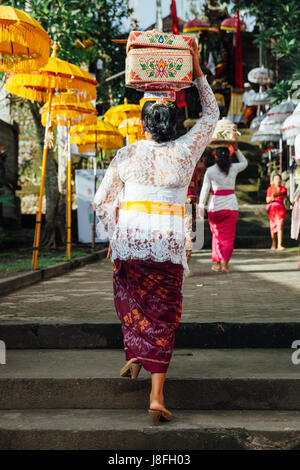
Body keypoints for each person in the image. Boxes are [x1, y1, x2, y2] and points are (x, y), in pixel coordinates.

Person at [93, 40, 219, 426]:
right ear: (172, 123)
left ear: (143, 123)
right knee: (163, 316)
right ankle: (156, 396)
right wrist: (196, 67)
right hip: (167, 247)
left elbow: (101, 202)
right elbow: (212, 115)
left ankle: (136, 353)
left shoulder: (126, 155)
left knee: (133, 305)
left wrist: (117, 235)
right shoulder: (185, 152)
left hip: (131, 245)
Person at [198, 144, 248, 272]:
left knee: (217, 236)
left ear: (216, 157)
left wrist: (201, 206)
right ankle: (225, 265)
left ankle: (218, 263)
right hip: (230, 206)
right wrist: (236, 149)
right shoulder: (234, 168)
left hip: (215, 207)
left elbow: (205, 190)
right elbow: (245, 162)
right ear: (229, 156)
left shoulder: (210, 171)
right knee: (228, 237)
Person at [266, 173, 290, 250]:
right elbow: (267, 200)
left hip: (281, 209)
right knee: (273, 227)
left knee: (280, 225)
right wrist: (272, 197)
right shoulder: (270, 189)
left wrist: (292, 203)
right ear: (273, 180)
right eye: (276, 179)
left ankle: (280, 244)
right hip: (272, 209)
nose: (278, 181)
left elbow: (287, 198)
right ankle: (273, 243)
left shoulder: (284, 189)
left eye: (279, 179)